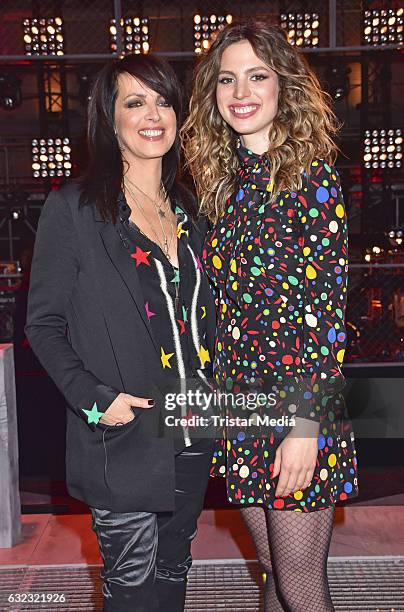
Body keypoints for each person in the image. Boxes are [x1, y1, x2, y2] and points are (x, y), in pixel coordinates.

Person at [25, 53, 216, 612]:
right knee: (131, 588)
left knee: (174, 573)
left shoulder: (191, 208)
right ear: (110, 119)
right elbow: (43, 323)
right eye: (135, 102)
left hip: (192, 430)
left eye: (163, 101)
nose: (152, 114)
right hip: (123, 435)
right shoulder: (74, 209)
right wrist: (95, 401)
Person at [182, 20, 358, 612]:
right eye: (227, 79)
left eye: (257, 76)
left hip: (298, 408)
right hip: (242, 406)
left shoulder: (311, 180)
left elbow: (326, 316)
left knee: (303, 588)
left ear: (284, 86)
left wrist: (307, 427)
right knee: (275, 580)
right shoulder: (224, 186)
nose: (241, 92)